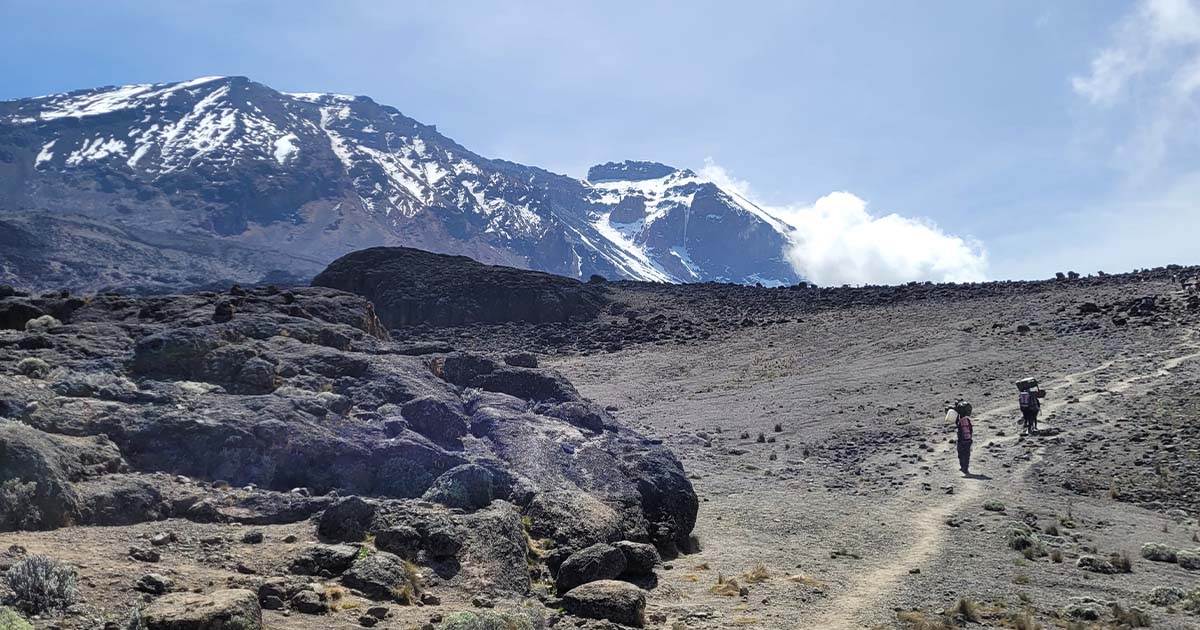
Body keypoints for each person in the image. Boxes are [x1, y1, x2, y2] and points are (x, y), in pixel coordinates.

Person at [948, 400, 974, 475]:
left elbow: (964, 430)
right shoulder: (964, 420)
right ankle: (964, 467)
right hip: (966, 440)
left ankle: (964, 468)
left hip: (963, 440)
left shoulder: (963, 420)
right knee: (965, 454)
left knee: (963, 454)